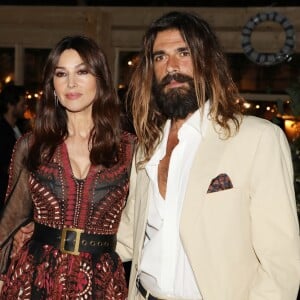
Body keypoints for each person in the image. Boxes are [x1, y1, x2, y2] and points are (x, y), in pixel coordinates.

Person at [116, 11, 300, 300]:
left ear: (206, 62)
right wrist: (52, 234)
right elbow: (128, 235)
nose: (171, 66)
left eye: (183, 52)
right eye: (160, 57)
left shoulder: (257, 139)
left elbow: (280, 266)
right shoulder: (147, 148)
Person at [0, 35, 135, 299]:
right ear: (52, 85)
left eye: (82, 71)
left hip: (101, 281)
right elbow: (9, 222)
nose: (71, 83)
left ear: (100, 79)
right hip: (36, 277)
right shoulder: (32, 145)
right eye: (61, 74)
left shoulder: (130, 149)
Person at [0, 84, 26, 212]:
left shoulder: (20, 128)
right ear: (11, 105)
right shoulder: (2, 131)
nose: (25, 107)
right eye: (22, 104)